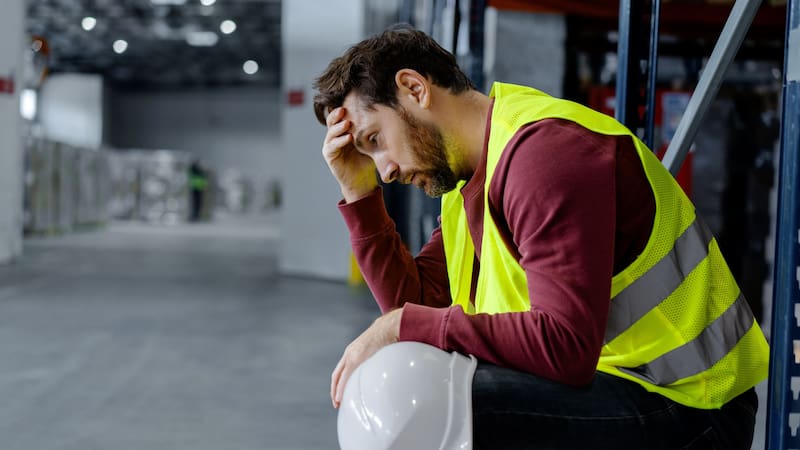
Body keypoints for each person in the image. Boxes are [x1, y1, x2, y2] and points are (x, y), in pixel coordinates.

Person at [313, 25, 769, 450]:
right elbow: (412, 302)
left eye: (376, 140)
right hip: (613, 386)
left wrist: (399, 326)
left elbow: (565, 346)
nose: (386, 170)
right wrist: (359, 193)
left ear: (414, 89)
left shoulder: (545, 156)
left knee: (419, 397)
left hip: (692, 407)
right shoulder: (469, 180)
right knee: (402, 377)